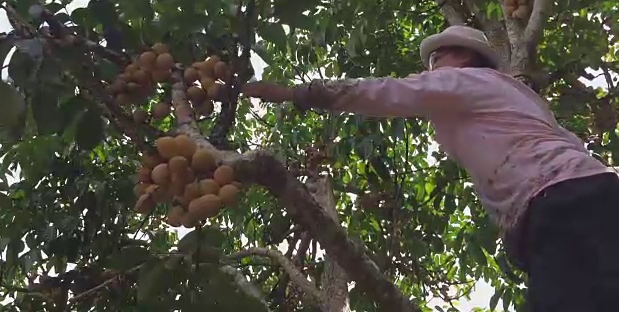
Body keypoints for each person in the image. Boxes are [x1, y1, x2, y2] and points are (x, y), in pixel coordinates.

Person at [241, 25, 619, 312]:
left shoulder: (464, 81)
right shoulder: (521, 96)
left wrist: (296, 94)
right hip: (590, 193)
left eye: (437, 59)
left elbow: (385, 92)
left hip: (557, 202)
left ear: (463, 57)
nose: (432, 68)